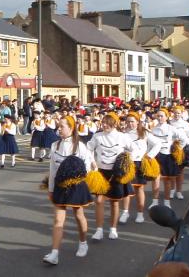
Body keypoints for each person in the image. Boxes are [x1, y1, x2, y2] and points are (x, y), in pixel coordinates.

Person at [43, 116, 93, 265]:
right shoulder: (54, 146)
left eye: (61, 127)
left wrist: (77, 177)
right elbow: (52, 170)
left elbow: (88, 167)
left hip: (77, 186)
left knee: (79, 215)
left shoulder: (80, 147)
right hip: (60, 186)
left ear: (71, 128)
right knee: (58, 219)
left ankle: (83, 242)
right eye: (58, 126)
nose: (58, 129)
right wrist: (51, 189)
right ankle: (54, 253)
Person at [88, 113, 133, 240]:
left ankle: (113, 229)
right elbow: (88, 148)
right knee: (99, 201)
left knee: (114, 202)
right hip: (101, 172)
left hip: (116, 173)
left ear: (114, 124)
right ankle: (99, 230)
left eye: (107, 123)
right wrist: (92, 161)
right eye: (103, 123)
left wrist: (126, 161)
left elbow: (133, 148)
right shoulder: (97, 136)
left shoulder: (122, 137)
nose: (104, 125)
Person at [119, 113, 161, 224]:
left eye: (132, 121)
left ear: (138, 122)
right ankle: (125, 212)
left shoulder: (144, 132)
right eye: (128, 121)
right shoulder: (123, 134)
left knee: (139, 189)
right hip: (127, 163)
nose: (130, 124)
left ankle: (140, 213)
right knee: (126, 190)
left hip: (139, 163)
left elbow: (158, 144)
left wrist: (149, 155)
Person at [149, 109, 187, 209]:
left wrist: (177, 149)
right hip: (157, 156)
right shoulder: (154, 129)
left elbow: (183, 139)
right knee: (155, 179)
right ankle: (155, 201)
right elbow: (150, 143)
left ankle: (167, 202)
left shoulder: (171, 128)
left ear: (166, 117)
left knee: (167, 180)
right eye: (158, 116)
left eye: (162, 116)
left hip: (168, 155)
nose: (160, 118)